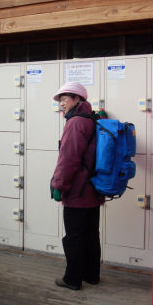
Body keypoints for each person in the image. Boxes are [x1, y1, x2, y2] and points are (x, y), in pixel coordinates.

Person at [51, 82, 105, 290]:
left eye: (65, 99)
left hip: (77, 191)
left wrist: (59, 186)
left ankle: (72, 279)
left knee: (74, 236)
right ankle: (92, 275)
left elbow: (68, 159)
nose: (62, 104)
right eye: (60, 100)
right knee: (91, 234)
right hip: (94, 189)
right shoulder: (94, 119)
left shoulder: (75, 123)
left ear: (78, 99)